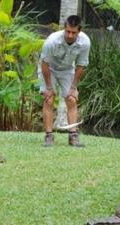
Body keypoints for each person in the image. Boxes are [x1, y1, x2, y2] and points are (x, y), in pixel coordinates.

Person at [38, 15, 91, 147]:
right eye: (68, 31)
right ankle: (49, 136)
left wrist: (74, 87)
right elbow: (44, 64)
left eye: (74, 32)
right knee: (49, 100)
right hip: (49, 69)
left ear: (79, 31)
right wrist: (49, 88)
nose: (70, 35)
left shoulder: (85, 42)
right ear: (64, 28)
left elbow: (81, 65)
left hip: (67, 70)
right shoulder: (52, 41)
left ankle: (73, 136)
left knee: (71, 99)